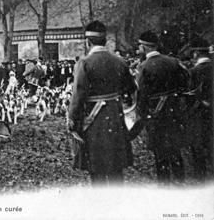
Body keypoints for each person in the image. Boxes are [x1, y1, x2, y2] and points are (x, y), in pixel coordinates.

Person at [68, 21, 136, 184]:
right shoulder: (119, 61)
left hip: (94, 120)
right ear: (105, 41)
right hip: (115, 115)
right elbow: (130, 88)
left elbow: (78, 96)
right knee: (116, 165)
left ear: (88, 42)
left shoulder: (84, 63)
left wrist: (72, 120)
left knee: (97, 167)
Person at [136, 30, 189, 184]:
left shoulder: (144, 67)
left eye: (140, 46)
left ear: (145, 47)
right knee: (176, 150)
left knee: (160, 155)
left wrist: (143, 116)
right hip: (174, 114)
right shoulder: (173, 61)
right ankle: (181, 183)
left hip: (156, 116)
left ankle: (164, 187)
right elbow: (185, 83)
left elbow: (141, 96)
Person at [187, 39, 213, 179]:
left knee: (198, 144)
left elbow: (190, 96)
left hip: (199, 113)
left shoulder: (193, 72)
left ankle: (201, 176)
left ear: (196, 53)